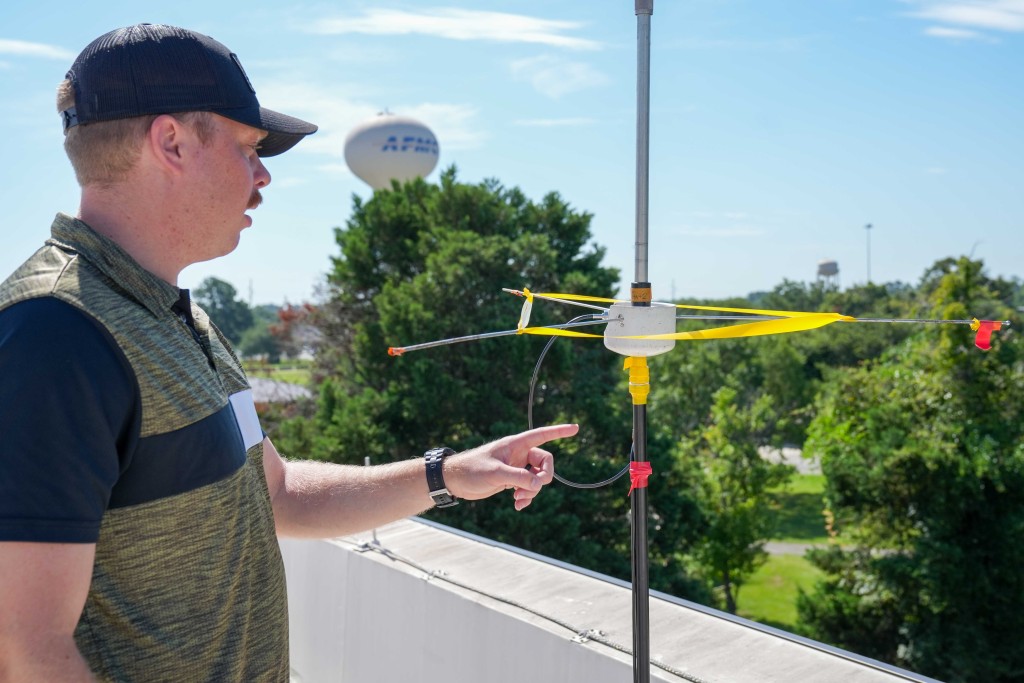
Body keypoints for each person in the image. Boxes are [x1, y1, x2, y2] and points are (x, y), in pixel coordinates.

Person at [0, 24, 578, 682]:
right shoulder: (56, 335)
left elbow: (274, 490)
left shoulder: (181, 320)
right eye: (248, 147)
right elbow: (25, 654)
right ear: (171, 142)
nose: (263, 173)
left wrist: (447, 474)